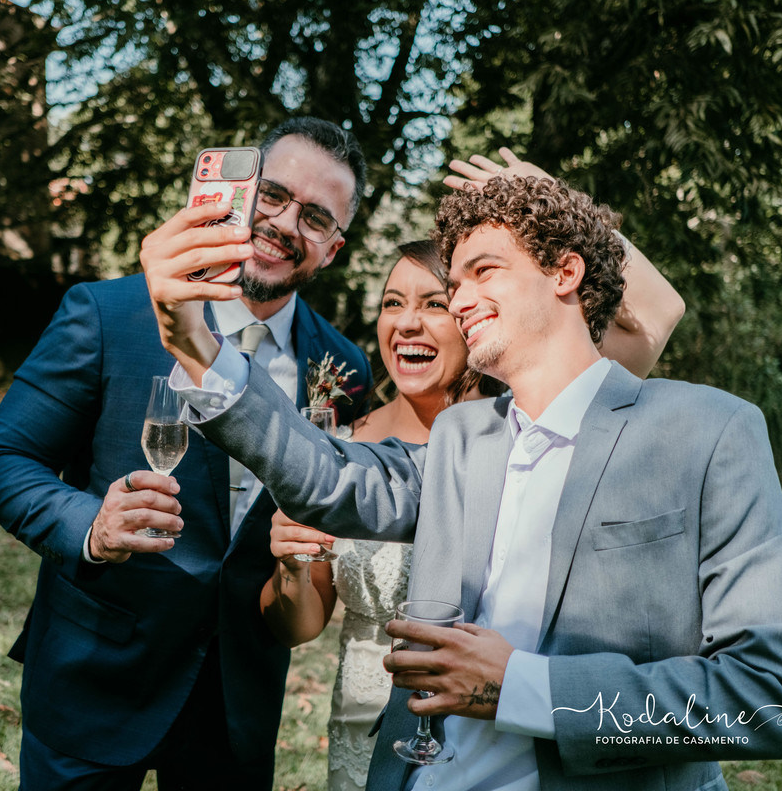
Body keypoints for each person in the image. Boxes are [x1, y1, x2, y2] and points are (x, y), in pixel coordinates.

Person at [141, 174, 782, 791]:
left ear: (565, 273)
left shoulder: (706, 432)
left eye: (483, 271)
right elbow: (325, 474)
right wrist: (191, 339)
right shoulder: (461, 439)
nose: (460, 297)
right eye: (457, 281)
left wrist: (525, 689)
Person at [0, 116, 373, 790]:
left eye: (314, 216)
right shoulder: (105, 312)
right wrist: (92, 526)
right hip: (94, 675)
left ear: (332, 248)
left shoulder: (344, 366)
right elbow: (3, 460)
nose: (282, 223)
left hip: (236, 699)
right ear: (240, 194)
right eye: (271, 195)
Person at [262, 169, 684, 791]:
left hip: (492, 730)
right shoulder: (343, 447)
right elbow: (298, 626)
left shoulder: (537, 424)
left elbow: (659, 310)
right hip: (361, 735)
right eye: (391, 304)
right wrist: (291, 566)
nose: (407, 323)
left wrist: (551, 206)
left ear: (473, 313)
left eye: (434, 303)